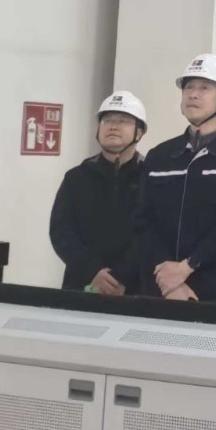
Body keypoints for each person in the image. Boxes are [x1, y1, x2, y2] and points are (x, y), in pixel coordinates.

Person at [133, 53, 216, 304]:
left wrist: (188, 267)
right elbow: (143, 222)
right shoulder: (160, 156)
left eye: (204, 88)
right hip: (161, 289)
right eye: (188, 87)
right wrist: (169, 280)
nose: (193, 94)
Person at [49, 91, 148, 293]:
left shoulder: (152, 177)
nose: (113, 126)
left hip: (134, 290)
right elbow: (61, 231)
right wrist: (91, 271)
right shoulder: (77, 177)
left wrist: (123, 278)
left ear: (139, 132)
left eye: (122, 121)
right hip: (81, 285)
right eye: (107, 120)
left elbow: (153, 234)